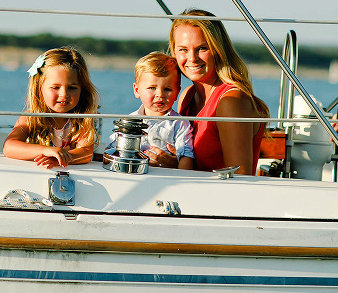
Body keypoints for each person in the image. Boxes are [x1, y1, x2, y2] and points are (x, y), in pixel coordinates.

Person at [171, 9, 268, 175]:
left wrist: (174, 167)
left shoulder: (231, 102)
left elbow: (240, 178)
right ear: (174, 52)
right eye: (183, 49)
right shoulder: (187, 96)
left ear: (218, 49)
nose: (192, 58)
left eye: (202, 48)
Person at [3, 47, 98, 169]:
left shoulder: (82, 119)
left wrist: (58, 159)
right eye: (55, 87)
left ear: (82, 90)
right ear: (39, 88)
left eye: (72, 88)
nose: (64, 94)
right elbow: (9, 147)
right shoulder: (30, 117)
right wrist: (46, 150)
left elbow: (86, 153)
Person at [105, 51, 194, 169]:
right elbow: (110, 149)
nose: (160, 94)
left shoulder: (179, 124)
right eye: (152, 88)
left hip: (165, 175)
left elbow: (186, 157)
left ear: (177, 92)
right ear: (137, 90)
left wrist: (179, 172)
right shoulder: (129, 121)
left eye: (167, 89)